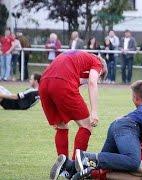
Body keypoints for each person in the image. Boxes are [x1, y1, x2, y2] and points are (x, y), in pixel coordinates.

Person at [39, 50, 106, 179]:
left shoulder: (78, 56)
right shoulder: (97, 62)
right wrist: (94, 111)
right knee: (87, 125)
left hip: (44, 83)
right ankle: (76, 166)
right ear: (102, 70)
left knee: (61, 126)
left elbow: (80, 79)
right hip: (62, 83)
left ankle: (64, 167)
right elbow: (92, 82)